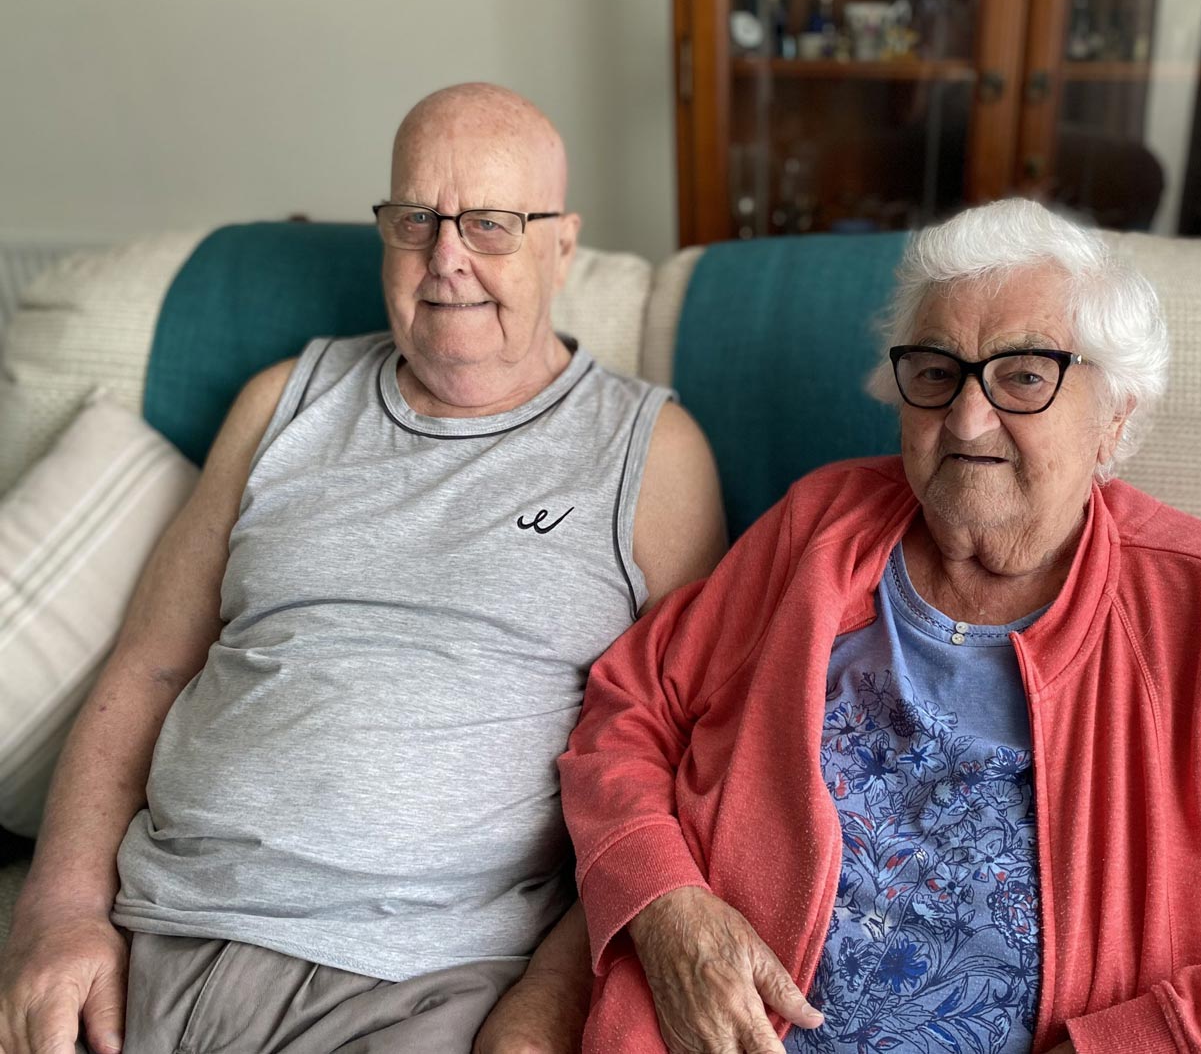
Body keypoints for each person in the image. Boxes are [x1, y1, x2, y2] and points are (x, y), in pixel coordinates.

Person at [557, 199, 1201, 1053]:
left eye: (1023, 374)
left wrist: (1141, 1045)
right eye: (936, 371)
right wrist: (669, 905)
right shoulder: (819, 531)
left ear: (1116, 416)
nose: (968, 415)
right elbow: (629, 708)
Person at [0, 83, 726, 1054]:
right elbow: (148, 668)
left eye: (494, 225)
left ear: (562, 247)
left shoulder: (653, 453)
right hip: (160, 937)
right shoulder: (280, 405)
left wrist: (549, 1004)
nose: (448, 258)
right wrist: (60, 908)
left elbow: (684, 764)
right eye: (415, 220)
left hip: (425, 985)